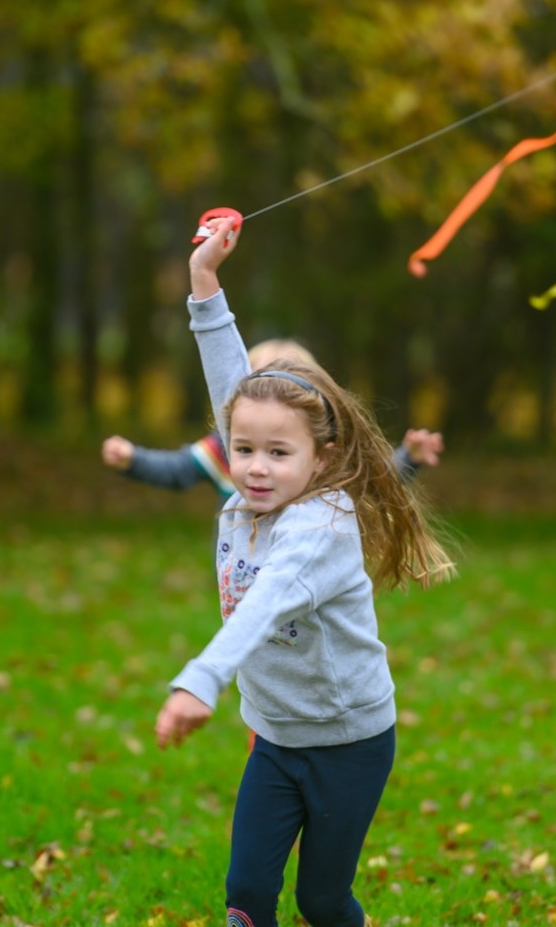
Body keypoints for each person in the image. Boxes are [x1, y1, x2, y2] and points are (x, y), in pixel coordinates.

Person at [154, 214, 455, 927]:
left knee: (322, 900)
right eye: (244, 450)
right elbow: (239, 392)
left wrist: (201, 679)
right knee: (247, 892)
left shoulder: (320, 525)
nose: (256, 467)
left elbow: (264, 605)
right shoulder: (247, 485)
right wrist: (204, 282)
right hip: (277, 737)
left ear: (318, 458)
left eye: (278, 454)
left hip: (348, 740)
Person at [101, 344, 444, 502]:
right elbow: (179, 469)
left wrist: (407, 459)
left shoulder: (322, 456)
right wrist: (134, 459)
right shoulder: (225, 448)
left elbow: (370, 483)